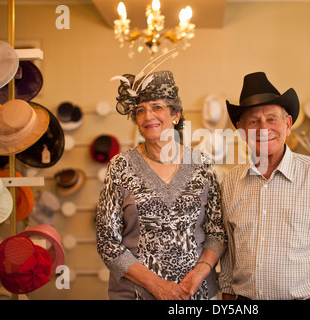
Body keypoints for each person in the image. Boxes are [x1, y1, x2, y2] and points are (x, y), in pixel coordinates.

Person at [219, 72, 310, 300]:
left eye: (272, 119)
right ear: (242, 130)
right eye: (254, 121)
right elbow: (229, 252)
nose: (264, 128)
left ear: (288, 124)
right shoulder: (231, 182)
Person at [96, 70, 227, 300]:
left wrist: (200, 272)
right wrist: (157, 286)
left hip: (197, 294)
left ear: (175, 114)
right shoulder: (120, 167)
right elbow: (107, 242)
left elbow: (217, 233)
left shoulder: (202, 165)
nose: (148, 116)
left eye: (157, 107)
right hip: (137, 294)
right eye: (140, 110)